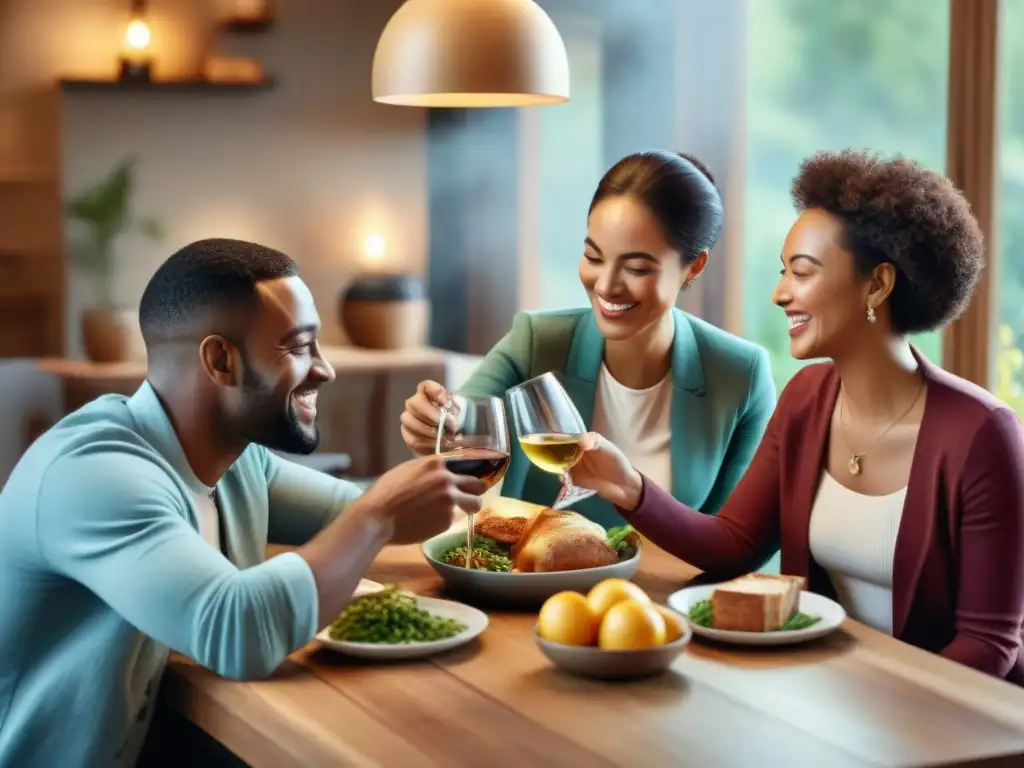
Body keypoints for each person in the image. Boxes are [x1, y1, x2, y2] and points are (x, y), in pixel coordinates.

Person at [0, 239, 486, 767]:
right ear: (220, 360)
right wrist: (381, 514)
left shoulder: (233, 459)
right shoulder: (95, 474)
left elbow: (350, 509)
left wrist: (436, 491)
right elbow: (237, 630)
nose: (325, 369)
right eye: (299, 347)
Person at [567, 149, 1024, 682]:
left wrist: (895, 721)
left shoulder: (982, 433)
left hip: (950, 725)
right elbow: (735, 544)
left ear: (877, 285)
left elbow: (989, 645)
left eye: (802, 273)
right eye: (783, 272)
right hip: (828, 694)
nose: (780, 293)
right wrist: (631, 489)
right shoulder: (808, 397)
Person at [401, 150, 776, 530]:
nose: (607, 285)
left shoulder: (740, 374)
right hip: (534, 583)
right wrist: (440, 422)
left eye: (637, 268)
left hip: (667, 590)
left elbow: (737, 540)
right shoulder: (538, 341)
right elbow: (466, 417)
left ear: (693, 266)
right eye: (593, 257)